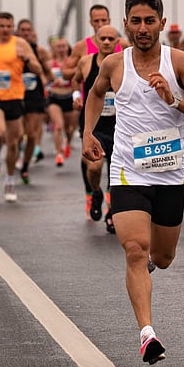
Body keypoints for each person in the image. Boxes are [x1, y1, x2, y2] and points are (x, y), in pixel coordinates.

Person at [81, 0, 184, 364]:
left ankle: (155, 263)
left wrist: (174, 100)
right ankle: (147, 333)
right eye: (135, 21)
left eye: (149, 21)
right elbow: (95, 94)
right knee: (135, 250)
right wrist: (87, 133)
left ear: (162, 23)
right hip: (127, 171)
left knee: (164, 256)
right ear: (125, 24)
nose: (142, 28)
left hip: (170, 174)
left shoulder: (179, 62)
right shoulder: (112, 63)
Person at [0, 12, 44, 202]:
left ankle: (10, 179)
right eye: (2, 26)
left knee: (14, 143)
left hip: (14, 97)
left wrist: (27, 59)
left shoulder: (20, 44)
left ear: (12, 27)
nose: (5, 30)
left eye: (8, 26)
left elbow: (38, 69)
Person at [78, 25, 121, 227]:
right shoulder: (86, 62)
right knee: (94, 167)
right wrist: (76, 96)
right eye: (102, 38)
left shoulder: (124, 63)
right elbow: (76, 82)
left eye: (110, 38)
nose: (106, 42)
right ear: (95, 40)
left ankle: (112, 211)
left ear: (116, 42)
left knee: (118, 172)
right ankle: (96, 192)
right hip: (95, 126)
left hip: (119, 126)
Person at [16, 19, 49, 184]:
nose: (26, 33)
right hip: (15, 95)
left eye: (28, 30)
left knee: (32, 134)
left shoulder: (39, 50)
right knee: (17, 134)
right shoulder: (11, 50)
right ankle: (15, 156)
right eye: (22, 30)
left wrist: (46, 79)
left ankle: (25, 166)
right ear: (18, 32)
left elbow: (46, 70)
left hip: (34, 95)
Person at [63, 4, 125, 81]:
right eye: (96, 21)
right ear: (91, 22)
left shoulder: (123, 44)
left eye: (103, 20)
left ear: (109, 21)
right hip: (90, 91)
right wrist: (83, 68)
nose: (100, 24)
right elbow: (65, 73)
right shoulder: (81, 46)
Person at [45, 36, 79, 166]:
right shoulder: (49, 63)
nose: (61, 49)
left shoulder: (72, 62)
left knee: (70, 128)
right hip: (54, 97)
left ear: (67, 47)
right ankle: (59, 154)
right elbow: (44, 77)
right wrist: (51, 80)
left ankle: (68, 143)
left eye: (63, 46)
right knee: (58, 125)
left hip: (69, 96)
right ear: (54, 48)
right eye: (58, 47)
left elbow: (78, 77)